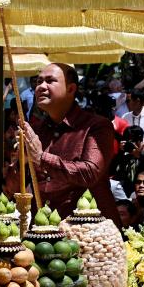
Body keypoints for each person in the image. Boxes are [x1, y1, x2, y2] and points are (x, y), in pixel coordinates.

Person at [20, 63, 120, 224]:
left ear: (71, 89)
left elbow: (90, 173)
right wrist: (20, 160)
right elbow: (18, 185)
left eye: (50, 81)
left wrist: (40, 157)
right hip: (43, 231)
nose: (41, 87)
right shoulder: (36, 130)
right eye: (38, 81)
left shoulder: (96, 126)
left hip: (89, 234)